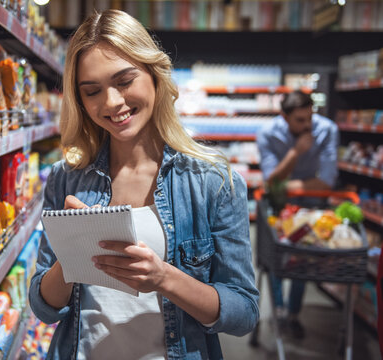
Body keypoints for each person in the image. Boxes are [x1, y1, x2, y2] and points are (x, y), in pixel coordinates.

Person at [29, 9, 259, 360]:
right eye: (92, 91)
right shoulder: (67, 179)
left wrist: (164, 278)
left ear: (154, 74)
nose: (112, 102)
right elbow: (45, 307)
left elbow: (243, 312)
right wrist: (73, 254)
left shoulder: (213, 183)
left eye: (124, 81)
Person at [256, 90, 339, 339]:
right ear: (285, 117)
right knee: (276, 255)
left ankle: (293, 314)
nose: (307, 125)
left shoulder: (327, 130)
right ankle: (279, 310)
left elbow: (326, 181)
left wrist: (285, 183)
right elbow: (271, 181)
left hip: (311, 203)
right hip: (280, 204)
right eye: (300, 120)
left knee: (304, 256)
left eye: (310, 118)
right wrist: (296, 152)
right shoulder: (267, 133)